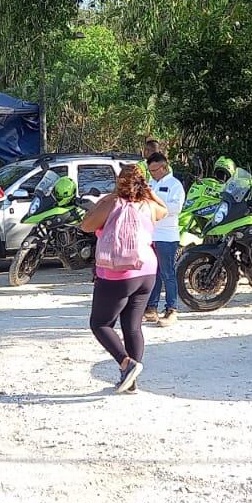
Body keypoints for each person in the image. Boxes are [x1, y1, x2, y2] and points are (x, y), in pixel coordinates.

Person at [79, 164, 167, 392]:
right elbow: (164, 210)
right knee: (133, 326)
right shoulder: (149, 205)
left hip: (117, 272)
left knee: (100, 323)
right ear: (143, 182)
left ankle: (126, 364)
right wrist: (147, 191)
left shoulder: (111, 202)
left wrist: (105, 199)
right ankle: (131, 382)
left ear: (119, 181)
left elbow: (86, 225)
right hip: (146, 270)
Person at [144, 153, 185, 327]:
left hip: (167, 236)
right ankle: (151, 307)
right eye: (150, 170)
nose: (152, 173)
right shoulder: (151, 183)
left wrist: (155, 203)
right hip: (150, 234)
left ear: (164, 167)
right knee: (152, 273)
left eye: (155, 170)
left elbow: (175, 208)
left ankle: (171, 309)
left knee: (167, 273)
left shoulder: (175, 185)